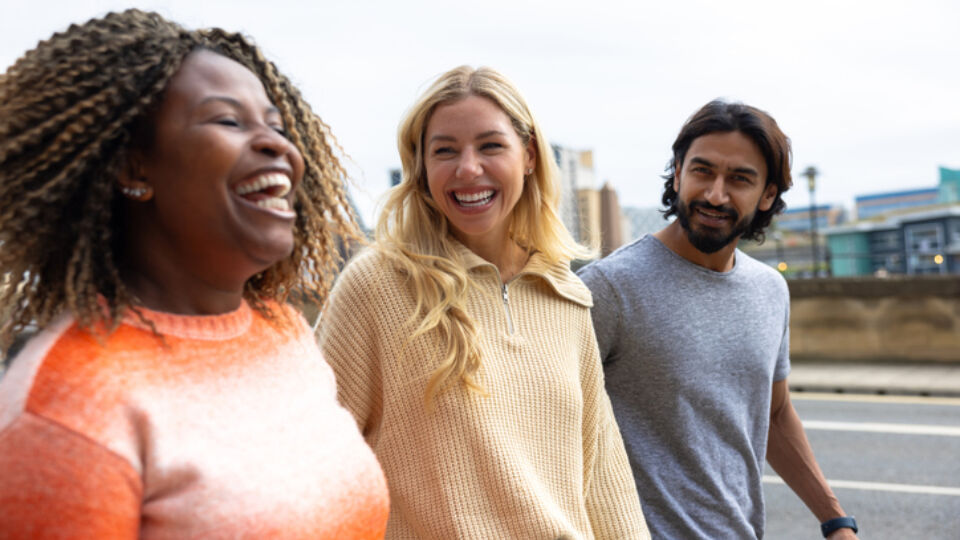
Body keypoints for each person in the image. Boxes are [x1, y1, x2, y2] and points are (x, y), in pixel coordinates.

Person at [0, 10, 388, 538]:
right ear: (134, 168)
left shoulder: (284, 334)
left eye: (276, 124)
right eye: (228, 121)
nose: (280, 145)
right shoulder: (67, 408)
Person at [317, 66, 649, 539]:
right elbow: (313, 461)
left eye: (490, 146)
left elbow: (602, 477)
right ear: (422, 167)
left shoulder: (567, 295)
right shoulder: (375, 286)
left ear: (529, 155)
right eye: (445, 151)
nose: (468, 168)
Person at [578, 100, 859, 539]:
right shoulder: (608, 288)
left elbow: (776, 415)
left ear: (768, 194)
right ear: (677, 171)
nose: (715, 194)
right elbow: (546, 429)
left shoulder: (770, 290)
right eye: (702, 171)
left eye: (740, 179)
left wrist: (835, 519)